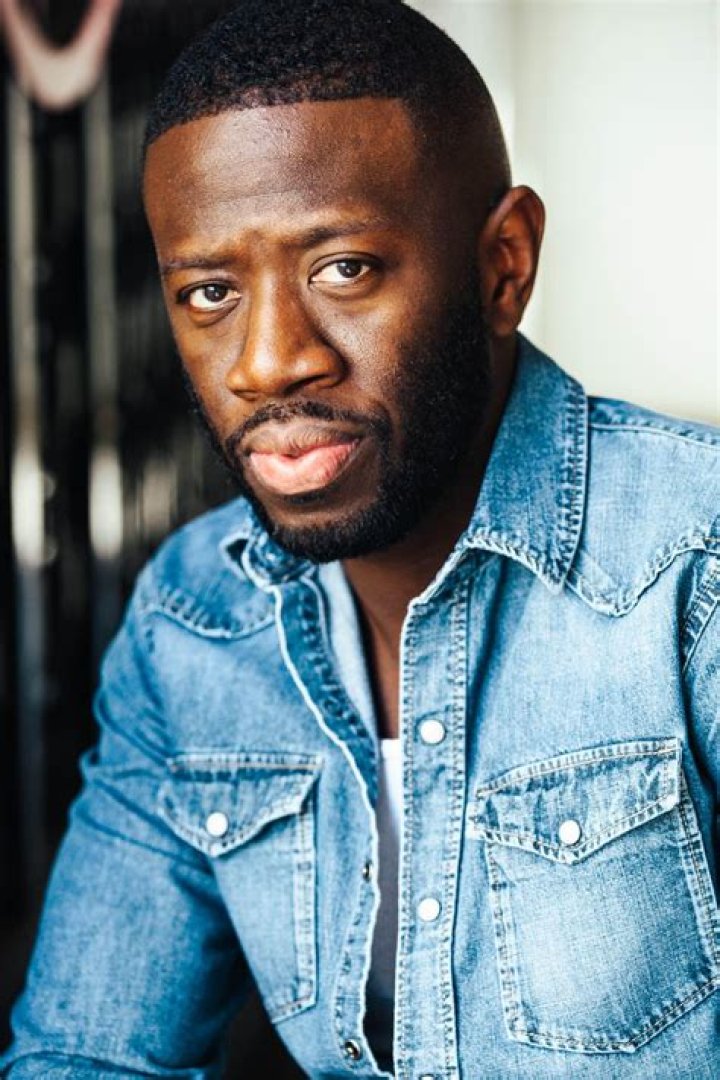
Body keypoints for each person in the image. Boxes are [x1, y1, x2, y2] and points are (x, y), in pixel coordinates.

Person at [2, 1, 718, 1076]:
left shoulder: (695, 568)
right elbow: (88, 1054)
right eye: (210, 292)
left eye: (343, 269)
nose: (268, 362)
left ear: (504, 265)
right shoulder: (196, 624)